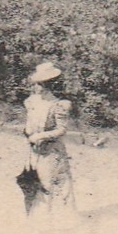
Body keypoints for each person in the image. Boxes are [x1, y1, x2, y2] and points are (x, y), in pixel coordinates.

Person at [23, 60, 76, 218]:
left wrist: (41, 136)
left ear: (47, 85)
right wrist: (28, 132)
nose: (35, 87)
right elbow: (30, 122)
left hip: (52, 151)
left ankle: (58, 218)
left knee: (52, 183)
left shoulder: (59, 105)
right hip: (35, 150)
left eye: (38, 84)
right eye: (35, 84)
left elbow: (62, 129)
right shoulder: (33, 102)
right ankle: (38, 217)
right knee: (36, 182)